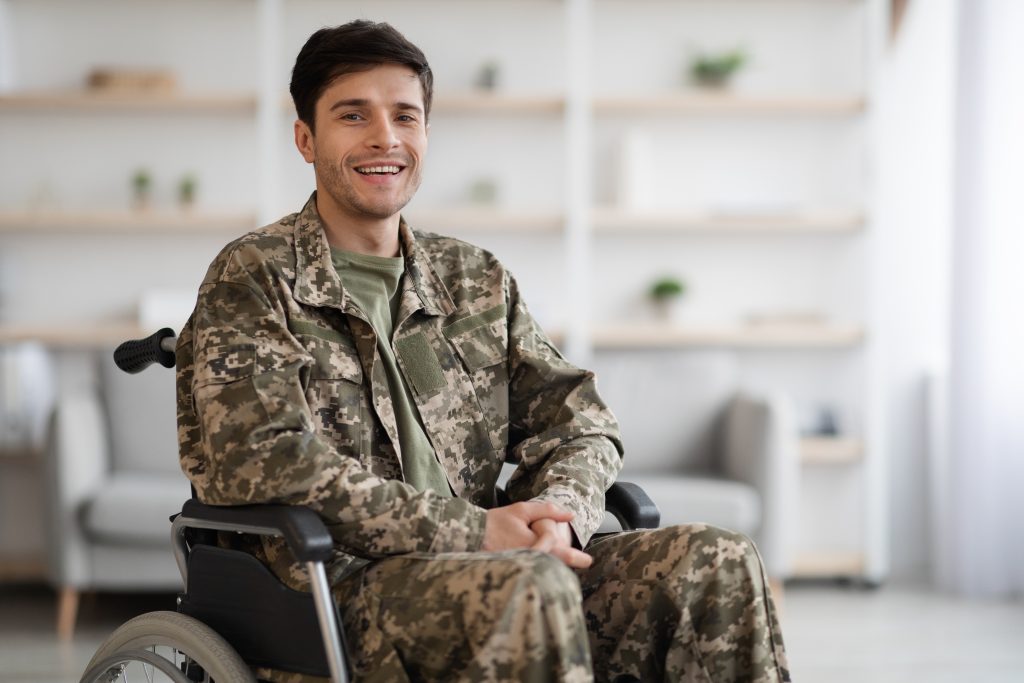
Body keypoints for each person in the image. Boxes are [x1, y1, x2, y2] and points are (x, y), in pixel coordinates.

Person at [175, 19, 790, 683]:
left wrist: (561, 518)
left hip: (508, 566)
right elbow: (268, 464)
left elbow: (578, 420)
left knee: (718, 559)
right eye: (353, 115)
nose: (385, 137)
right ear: (305, 138)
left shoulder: (475, 278)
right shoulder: (254, 274)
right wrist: (477, 532)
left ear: (426, 136)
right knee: (529, 588)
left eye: (405, 116)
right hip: (339, 589)